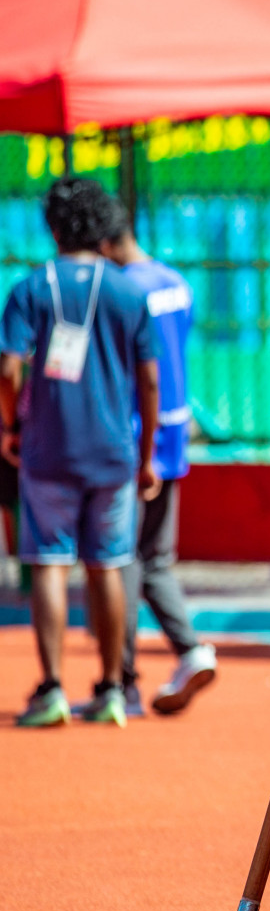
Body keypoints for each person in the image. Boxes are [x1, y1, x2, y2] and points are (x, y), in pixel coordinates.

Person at [1, 177, 160, 728]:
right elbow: (150, 381)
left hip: (46, 451)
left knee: (48, 561)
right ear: (103, 226)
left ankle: (51, 690)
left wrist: (10, 424)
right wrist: (145, 457)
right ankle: (114, 687)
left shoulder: (29, 289)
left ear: (52, 227)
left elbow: (7, 368)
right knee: (110, 563)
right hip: (114, 454)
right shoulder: (128, 292)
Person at [93, 203, 218, 718]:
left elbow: (134, 367)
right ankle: (187, 651)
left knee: (121, 558)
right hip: (172, 432)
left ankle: (121, 682)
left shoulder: (123, 291)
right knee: (153, 558)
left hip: (135, 437)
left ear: (102, 245)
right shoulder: (176, 282)